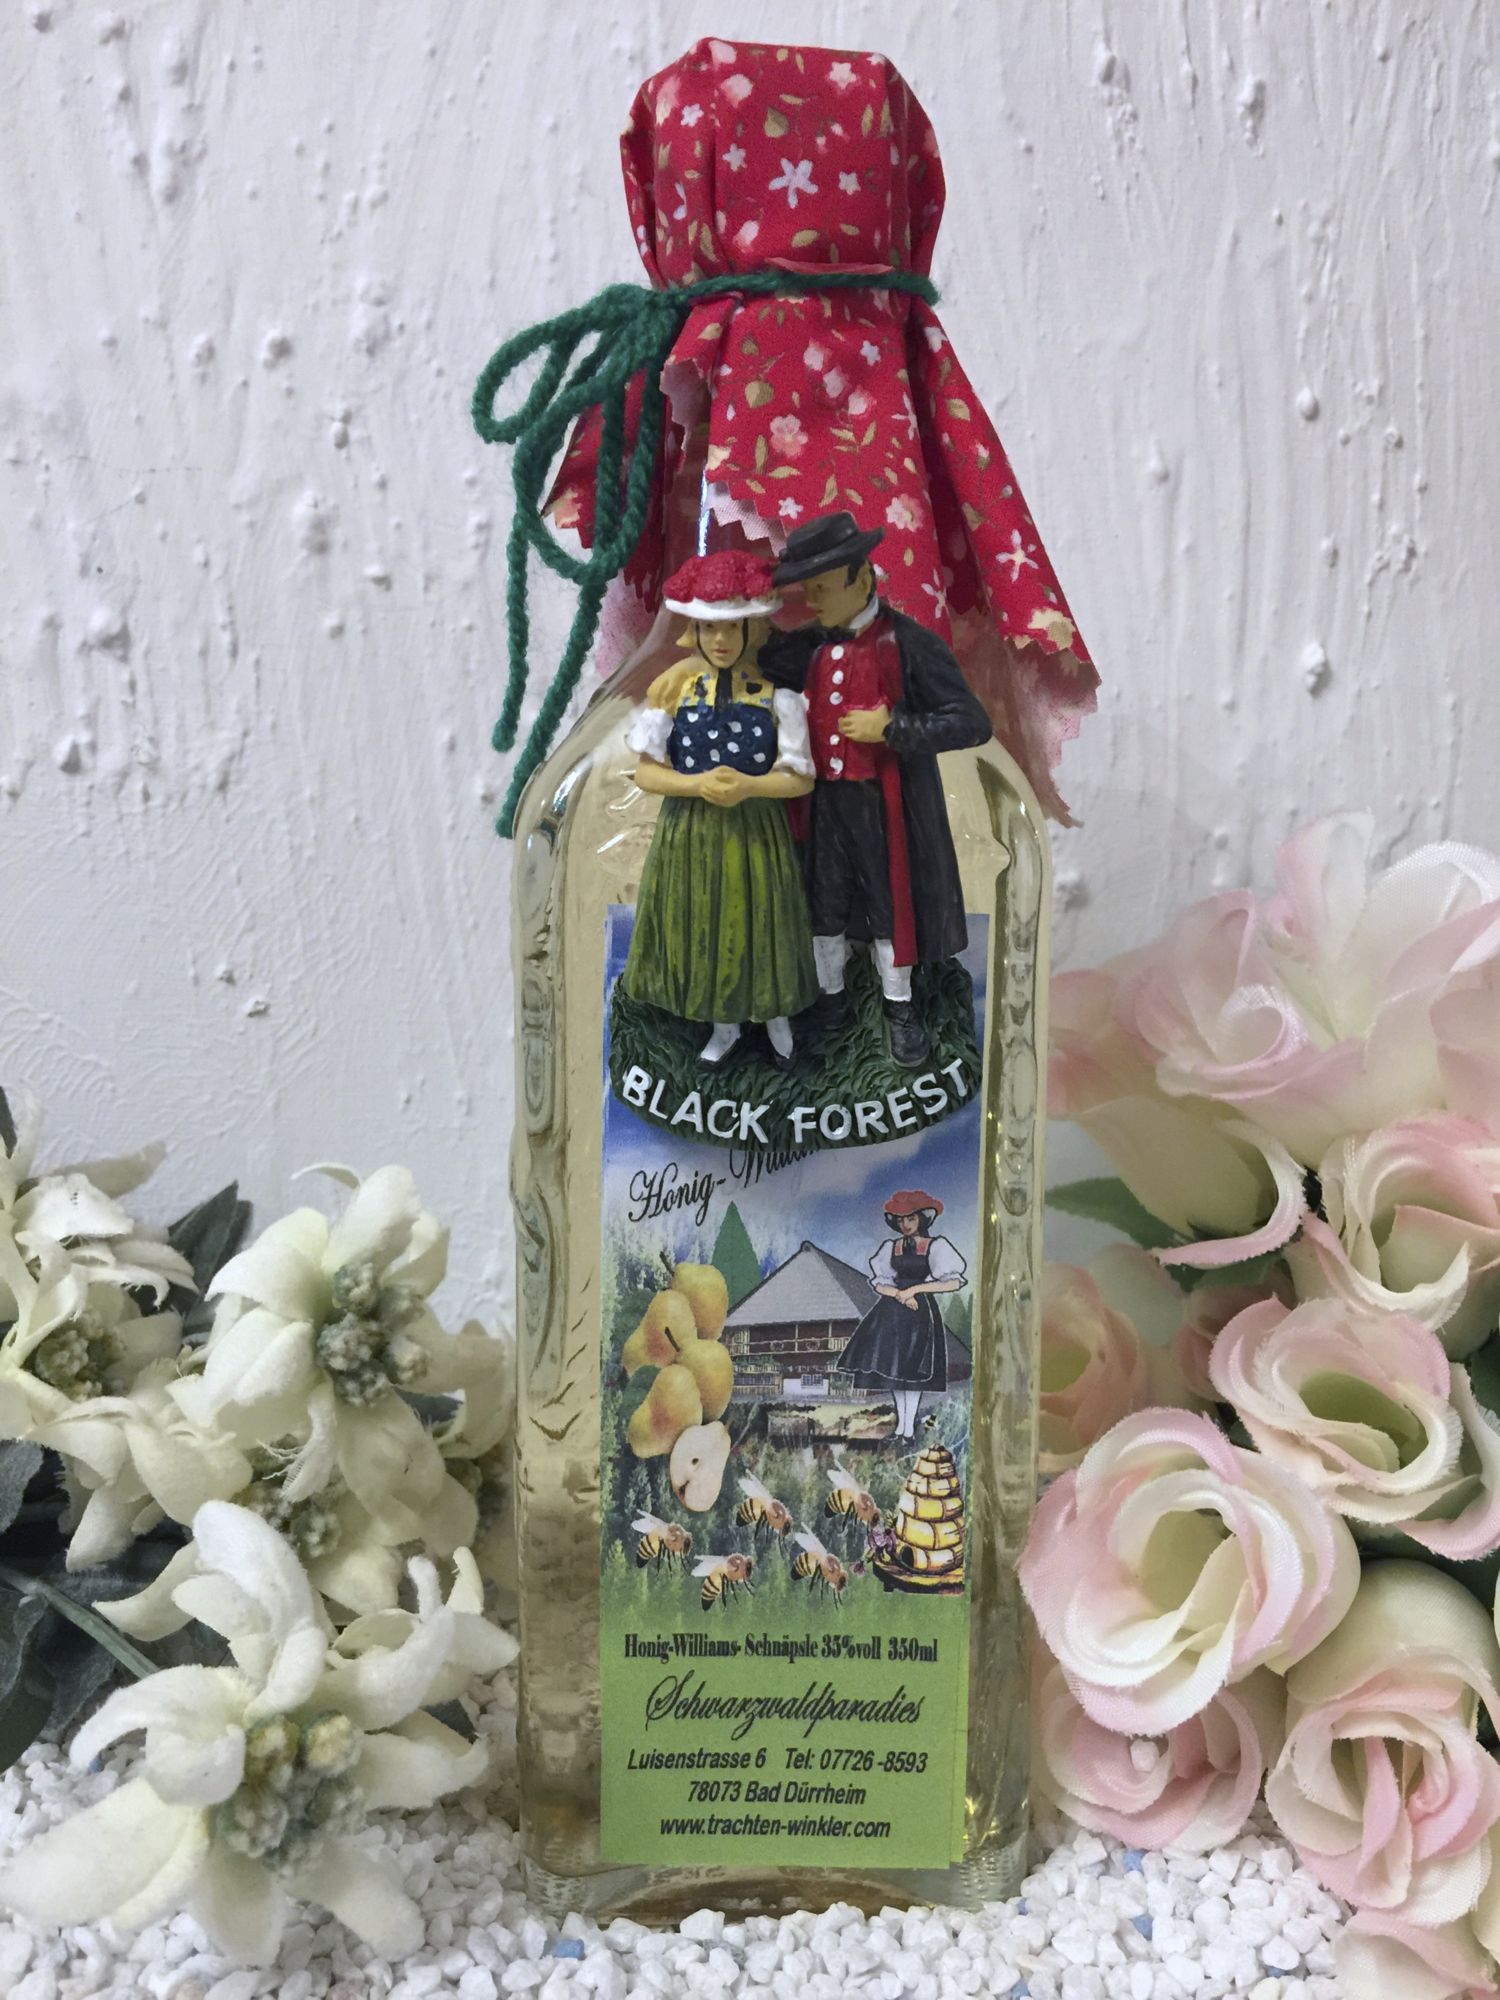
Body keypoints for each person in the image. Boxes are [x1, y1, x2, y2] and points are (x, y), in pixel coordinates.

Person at [764, 513, 992, 1068]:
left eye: (821, 588)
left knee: (892, 909)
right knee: (823, 905)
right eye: (807, 590)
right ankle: (831, 1002)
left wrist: (893, 728)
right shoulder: (807, 645)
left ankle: (900, 1009)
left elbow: (970, 722)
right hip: (823, 806)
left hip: (887, 808)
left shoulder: (910, 645)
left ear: (862, 579)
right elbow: (758, 659)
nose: (812, 601)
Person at [621, 551, 819, 1071]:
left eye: (733, 627)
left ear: (755, 629)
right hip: (690, 832)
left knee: (763, 921)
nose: (721, 640)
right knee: (704, 923)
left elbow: (799, 777)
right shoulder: (675, 691)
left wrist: (750, 786)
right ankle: (723, 1027)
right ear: (695, 631)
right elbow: (646, 773)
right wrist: (695, 784)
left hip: (757, 831)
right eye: (710, 628)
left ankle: (777, 1021)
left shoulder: (778, 697)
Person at [837, 1191, 967, 1440]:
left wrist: (914, 1291)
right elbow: (879, 1284)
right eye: (900, 1220)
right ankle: (900, 1428)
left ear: (922, 1219)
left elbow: (952, 1282)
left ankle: (909, 1430)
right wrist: (899, 1294)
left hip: (920, 1312)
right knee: (895, 1370)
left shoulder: (936, 1246)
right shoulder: (891, 1247)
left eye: (911, 1219)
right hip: (892, 1313)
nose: (905, 1225)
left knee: (913, 1371)